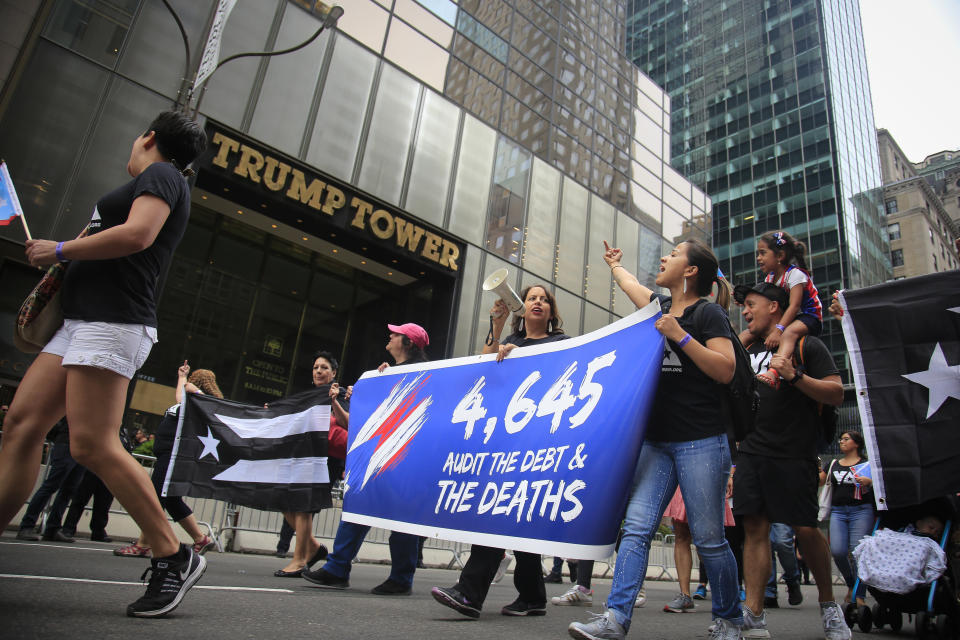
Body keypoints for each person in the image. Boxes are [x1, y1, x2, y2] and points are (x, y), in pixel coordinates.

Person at [0, 110, 207, 618]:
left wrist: (61, 250)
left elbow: (138, 235)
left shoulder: (163, 175)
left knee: (92, 442)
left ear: (150, 138)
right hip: (79, 322)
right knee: (22, 426)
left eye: (139, 136)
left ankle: (173, 554)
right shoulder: (154, 181)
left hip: (112, 321)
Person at [569, 240, 743, 640]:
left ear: (690, 271)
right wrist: (614, 267)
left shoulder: (708, 312)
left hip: (701, 440)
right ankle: (615, 619)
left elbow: (726, 369)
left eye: (674, 254)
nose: (664, 258)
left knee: (709, 538)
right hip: (656, 443)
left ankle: (729, 619)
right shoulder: (660, 307)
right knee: (636, 529)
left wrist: (680, 336)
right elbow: (633, 286)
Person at [431, 285, 568, 618]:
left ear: (551, 311)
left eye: (544, 299)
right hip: (506, 442)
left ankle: (469, 593)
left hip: (539, 444)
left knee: (500, 514)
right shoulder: (512, 344)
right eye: (532, 298)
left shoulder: (561, 343)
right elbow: (484, 369)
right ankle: (533, 596)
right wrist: (497, 329)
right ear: (521, 307)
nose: (538, 302)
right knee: (512, 515)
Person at [731, 281, 850, 640]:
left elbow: (836, 393)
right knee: (754, 530)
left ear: (775, 307)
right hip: (751, 453)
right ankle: (754, 614)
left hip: (794, 454)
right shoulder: (744, 349)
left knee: (805, 529)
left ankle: (830, 608)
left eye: (752, 304)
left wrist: (794, 375)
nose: (746, 311)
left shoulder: (805, 345)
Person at [303, 325, 428, 595]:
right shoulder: (383, 374)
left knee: (401, 519)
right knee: (357, 509)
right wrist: (364, 396)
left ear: (407, 343)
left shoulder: (425, 376)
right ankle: (337, 568)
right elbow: (363, 423)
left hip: (405, 461)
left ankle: (401, 578)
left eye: (395, 334)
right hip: (376, 457)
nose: (390, 336)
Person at [114, 363, 220, 558]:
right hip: (166, 454)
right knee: (169, 500)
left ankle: (144, 543)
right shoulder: (187, 401)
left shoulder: (200, 403)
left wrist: (191, 387)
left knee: (154, 498)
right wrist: (182, 377)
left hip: (173, 455)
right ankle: (200, 538)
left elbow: (192, 397)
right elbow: (179, 397)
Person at [273, 351, 348, 576]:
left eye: (324, 367)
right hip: (305, 456)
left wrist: (335, 401)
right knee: (285, 501)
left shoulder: (342, 394)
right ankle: (313, 548)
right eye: (315, 367)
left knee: (303, 506)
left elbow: (348, 423)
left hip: (327, 458)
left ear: (334, 373)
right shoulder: (308, 397)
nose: (318, 371)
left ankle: (299, 561)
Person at [740, 230, 822, 388]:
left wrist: (778, 330)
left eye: (763, 253)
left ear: (780, 256)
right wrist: (744, 301)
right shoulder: (769, 278)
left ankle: (774, 372)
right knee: (746, 334)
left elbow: (794, 306)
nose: (758, 258)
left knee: (789, 334)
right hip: (792, 317)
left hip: (809, 316)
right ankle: (728, 357)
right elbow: (764, 299)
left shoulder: (795, 275)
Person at [819, 431, 874, 606]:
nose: (841, 441)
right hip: (838, 511)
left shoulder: (867, 464)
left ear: (856, 444)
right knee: (838, 551)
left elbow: (881, 485)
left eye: (846, 439)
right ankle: (851, 583)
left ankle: (859, 595)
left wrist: (870, 482)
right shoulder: (833, 464)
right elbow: (819, 481)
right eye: (841, 439)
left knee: (857, 551)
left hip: (861, 510)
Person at [661, 487, 735, 613]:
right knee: (681, 534)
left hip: (704, 480)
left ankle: (726, 596)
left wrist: (730, 473)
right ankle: (685, 595)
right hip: (681, 481)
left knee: (707, 540)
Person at [15, 418, 83, 542]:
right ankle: (27, 525)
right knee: (51, 485)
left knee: (68, 490)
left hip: (83, 446)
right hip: (67, 442)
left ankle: (53, 528)